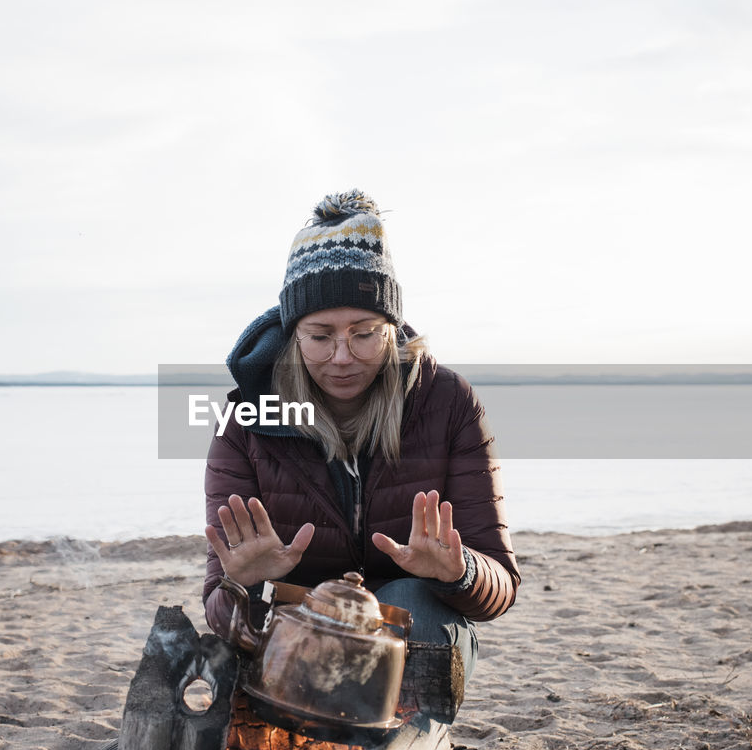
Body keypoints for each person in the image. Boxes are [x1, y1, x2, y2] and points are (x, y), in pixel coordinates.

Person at [202, 189, 519, 680]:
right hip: (297, 634)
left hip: (408, 638)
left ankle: (397, 749)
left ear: (391, 327)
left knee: (416, 599)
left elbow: (501, 585)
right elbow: (221, 615)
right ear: (293, 335)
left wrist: (460, 572)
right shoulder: (244, 419)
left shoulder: (449, 401)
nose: (343, 356)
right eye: (321, 335)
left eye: (365, 332)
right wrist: (243, 584)